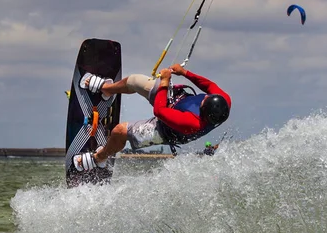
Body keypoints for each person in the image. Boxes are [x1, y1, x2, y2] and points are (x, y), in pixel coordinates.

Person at [71, 63, 231, 173]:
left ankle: (99, 158)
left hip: (165, 130)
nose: (203, 98)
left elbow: (159, 111)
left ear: (204, 113)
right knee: (135, 80)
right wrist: (185, 73)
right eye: (206, 98)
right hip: (175, 99)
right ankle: (107, 89)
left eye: (203, 102)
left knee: (119, 131)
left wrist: (165, 81)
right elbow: (208, 85)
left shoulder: (193, 123)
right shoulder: (223, 99)